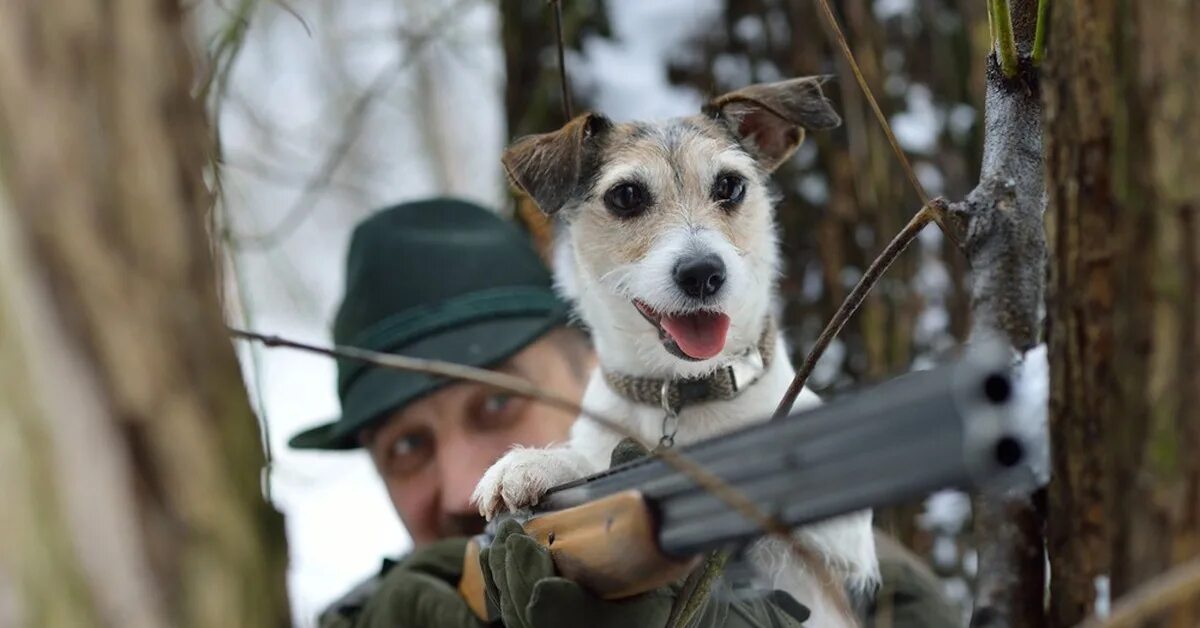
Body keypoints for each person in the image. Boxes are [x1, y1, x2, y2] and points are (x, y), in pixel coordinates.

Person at [291, 198, 962, 627]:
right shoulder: (373, 617)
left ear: (596, 364)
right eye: (406, 448)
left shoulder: (872, 590)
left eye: (496, 403)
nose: (465, 480)